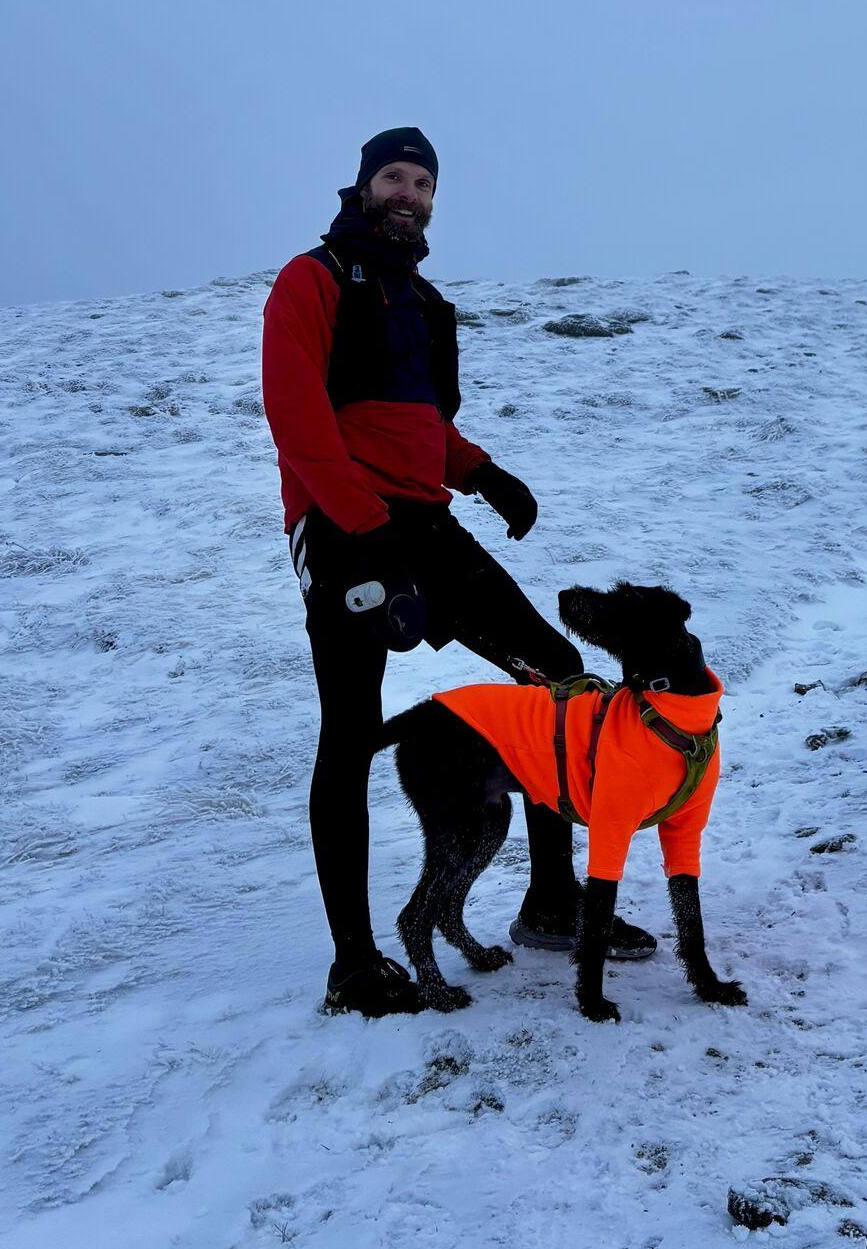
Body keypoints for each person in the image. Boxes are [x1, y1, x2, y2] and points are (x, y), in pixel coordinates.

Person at [262, 126, 657, 1015]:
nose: (409, 192)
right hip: (341, 528)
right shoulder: (311, 279)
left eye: (424, 182)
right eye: (394, 177)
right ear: (363, 187)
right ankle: (355, 962)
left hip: (428, 525)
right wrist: (364, 532)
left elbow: (420, 428)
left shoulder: (426, 304)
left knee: (558, 676)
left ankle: (551, 903)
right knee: (350, 733)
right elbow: (298, 418)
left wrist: (481, 473)